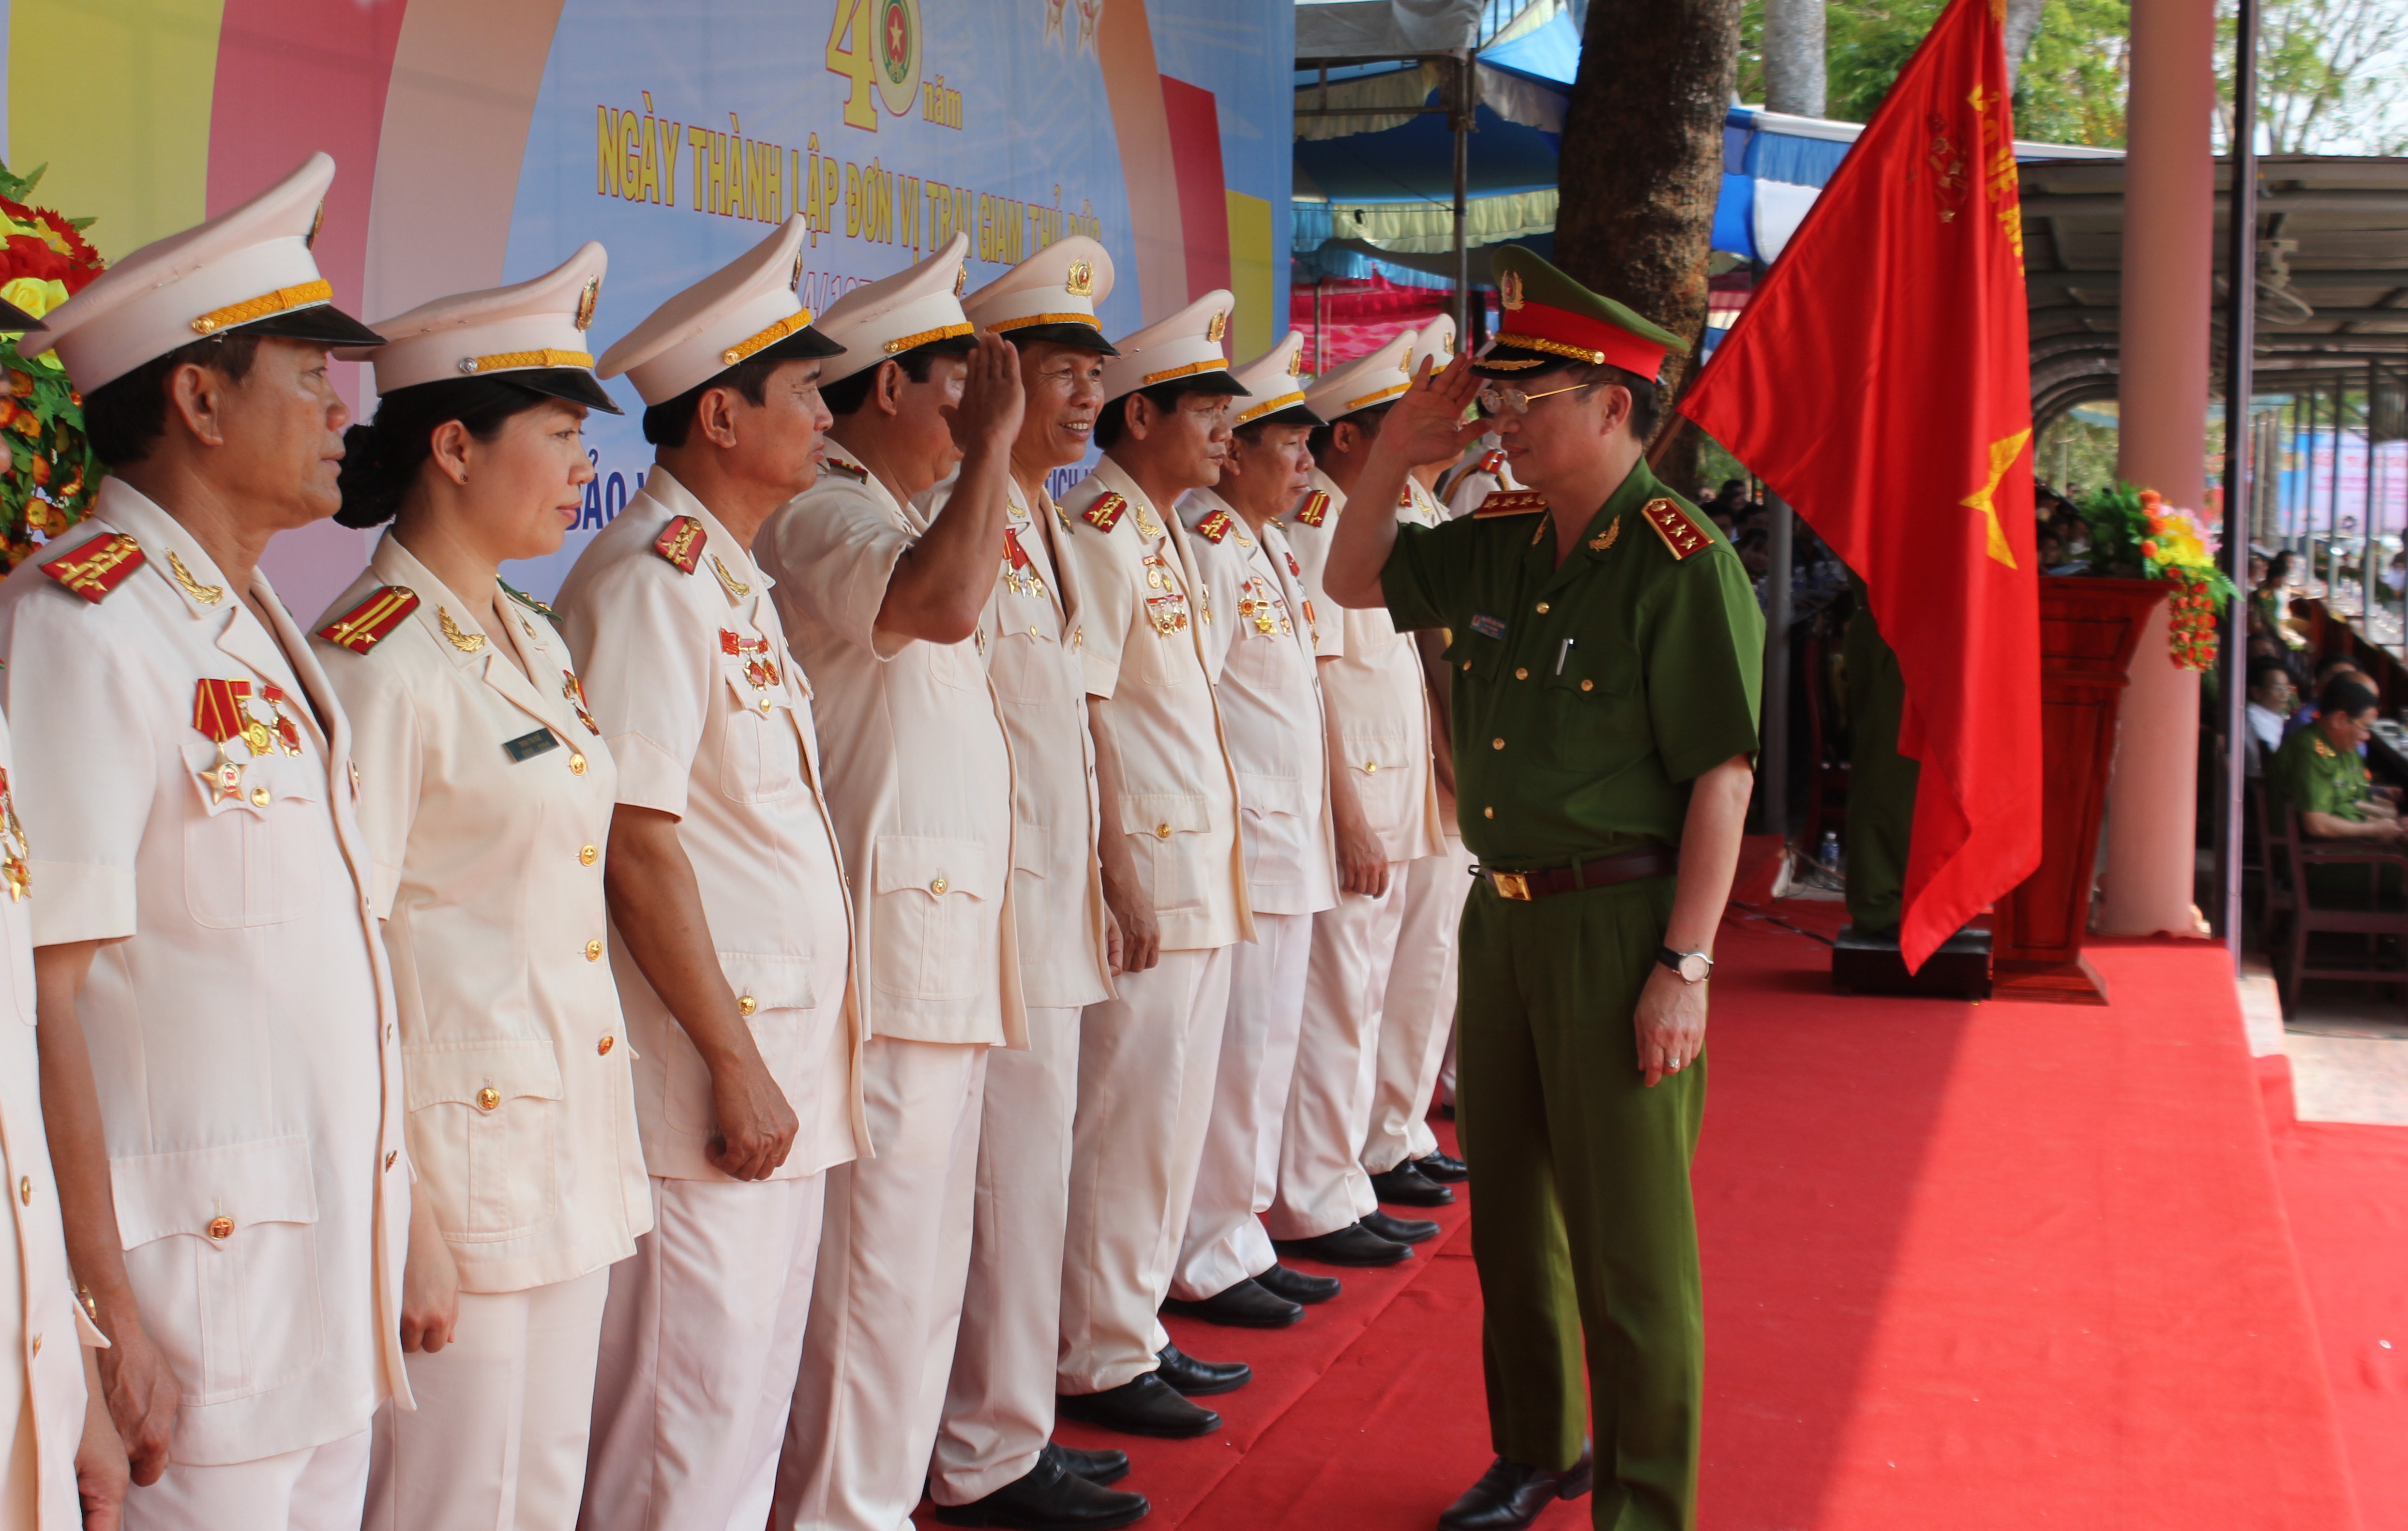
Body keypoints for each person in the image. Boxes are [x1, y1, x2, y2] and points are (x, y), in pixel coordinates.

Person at [1316, 245, 1761, 1531]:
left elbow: (1721, 783)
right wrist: (1394, 453)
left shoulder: (1682, 562)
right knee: (1510, 1215)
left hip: (1622, 923)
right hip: (1502, 912)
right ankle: (1536, 1449)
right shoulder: (1502, 539)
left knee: (1632, 1245)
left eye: (1528, 398)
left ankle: (1643, 1501)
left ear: (1614, 405)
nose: (1500, 420)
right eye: (1495, 398)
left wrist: (1684, 966)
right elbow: (1351, 581)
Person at [1, 153, 413, 1527]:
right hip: (191, 1309)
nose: (340, 414)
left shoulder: (250, 619)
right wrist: (101, 1307)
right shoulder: (85, 620)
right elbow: (44, 990)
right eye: (308, 377)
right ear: (196, 397)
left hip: (316, 1288)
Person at [309, 245, 652, 1531]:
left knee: (540, 1487)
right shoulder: (374, 666)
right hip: (464, 1172)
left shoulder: (533, 632)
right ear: (454, 448)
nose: (580, 466)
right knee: (452, 1501)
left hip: (561, 1141)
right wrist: (412, 1215)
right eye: (561, 434)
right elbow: (353, 956)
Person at [563, 215, 861, 1531]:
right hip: (705, 1076)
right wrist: (733, 1058)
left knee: (743, 1398)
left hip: (772, 1056)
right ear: (721, 418)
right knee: (686, 1417)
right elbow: (636, 839)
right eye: (801, 391)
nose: (827, 413)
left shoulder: (725, 579)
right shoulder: (649, 583)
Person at [755, 234, 1022, 1531]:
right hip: (884, 947)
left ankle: (883, 1500)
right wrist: (994, 460)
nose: (978, 407)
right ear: (893, 394)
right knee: (873, 1277)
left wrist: (978, 468)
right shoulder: (827, 510)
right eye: (956, 380)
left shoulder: (915, 505)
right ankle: (839, 1514)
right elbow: (944, 605)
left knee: (920, 1265)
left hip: (946, 944)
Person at [928, 237, 1147, 1531]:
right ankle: (987, 1444)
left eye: (1087, 376)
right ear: (989, 381)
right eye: (1056, 373)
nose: (1080, 399)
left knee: (1035, 1178)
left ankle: (1015, 1422)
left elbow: (1072, 717)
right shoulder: (959, 509)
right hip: (986, 913)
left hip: (1052, 897)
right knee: (1003, 1186)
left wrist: (1115, 859)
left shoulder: (1044, 516)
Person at [1047, 292, 1256, 1441]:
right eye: (1206, 413)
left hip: (1196, 870)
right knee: (1123, 1115)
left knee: (1169, 1110)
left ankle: (1132, 1323)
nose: (1224, 435)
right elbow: (1087, 715)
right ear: (1140, 418)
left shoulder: (1159, 526)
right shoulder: (1099, 535)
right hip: (1151, 876)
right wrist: (1115, 867)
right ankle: (1095, 1347)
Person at [1162, 331, 1340, 1332]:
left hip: (1286, 838)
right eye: (1288, 443)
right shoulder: (1207, 543)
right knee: (1235, 1057)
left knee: (1265, 1050)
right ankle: (1208, 1243)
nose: (1304, 463)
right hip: (1248, 843)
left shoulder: (1263, 542)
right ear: (1236, 452)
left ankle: (1239, 1229)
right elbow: (1202, 707)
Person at [1268, 329, 1450, 1271]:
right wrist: (1347, 812)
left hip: (1395, 784)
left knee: (1373, 990)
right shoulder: (1317, 522)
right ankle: (1316, 1188)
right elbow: (1322, 683)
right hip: (1352, 799)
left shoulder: (1380, 514)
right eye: (1391, 430)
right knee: (1338, 999)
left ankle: (1351, 1168)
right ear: (1348, 441)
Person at [1363, 315, 1481, 1211]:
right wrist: (1454, 759)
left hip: (1428, 781)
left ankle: (1397, 1131)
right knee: (1382, 980)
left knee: (1425, 964)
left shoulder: (1432, 509)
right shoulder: (1387, 517)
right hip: (1405, 783)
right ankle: (1377, 1141)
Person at [2269, 677, 2406, 854]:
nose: (2366, 737)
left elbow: (2349, 802)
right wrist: (2374, 830)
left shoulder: (2335, 745)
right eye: (2364, 727)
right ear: (2340, 719)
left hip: (2344, 846)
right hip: (2319, 857)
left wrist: (2395, 823)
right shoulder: (2311, 751)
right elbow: (2317, 825)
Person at [2245, 661, 2296, 775]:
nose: (2284, 695)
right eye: (2278, 688)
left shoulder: (2271, 714)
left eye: (2287, 688)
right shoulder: (2253, 717)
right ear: (2256, 691)